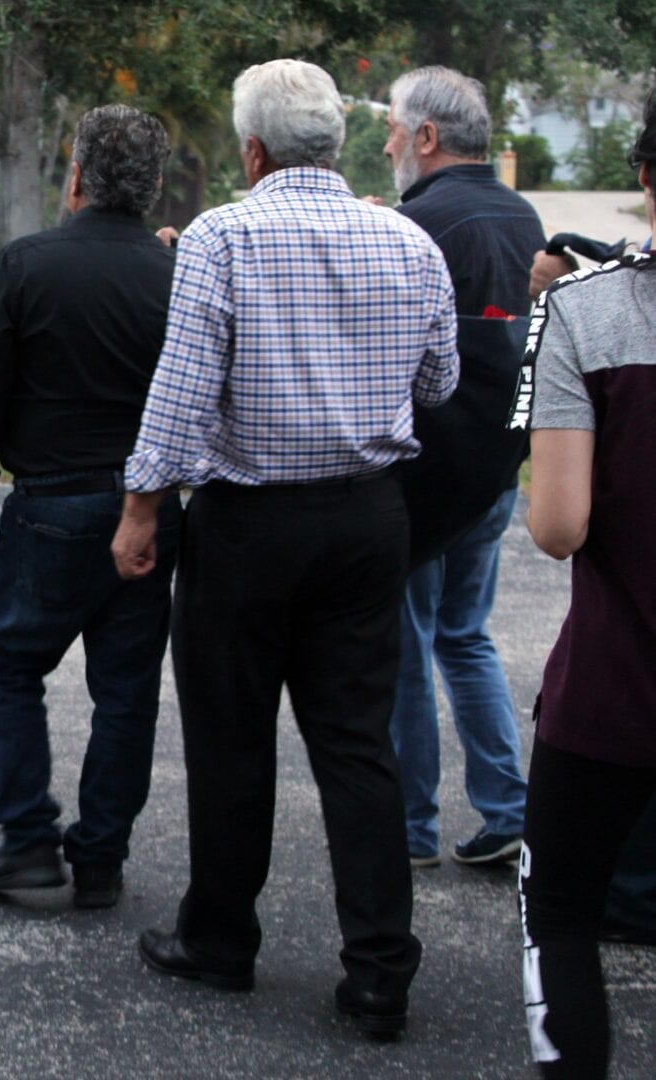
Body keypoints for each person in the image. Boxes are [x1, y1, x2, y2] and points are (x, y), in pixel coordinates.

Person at [111, 59, 458, 1039]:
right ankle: (381, 972)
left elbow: (182, 388)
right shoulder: (406, 236)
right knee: (357, 744)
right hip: (365, 518)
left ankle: (219, 942)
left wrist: (142, 508)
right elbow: (438, 379)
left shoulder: (223, 233)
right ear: (334, 148)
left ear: (252, 151)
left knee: (231, 737)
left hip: (248, 523)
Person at [0, 105, 179, 910]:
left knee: (8, 666)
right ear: (151, 190)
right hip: (148, 505)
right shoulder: (177, 271)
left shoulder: (28, 264)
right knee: (127, 687)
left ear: (74, 178)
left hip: (51, 505)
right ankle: (101, 857)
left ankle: (30, 839)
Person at [515, 90, 656, 1077]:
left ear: (646, 177)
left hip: (618, 687)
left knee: (560, 912)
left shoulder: (584, 311)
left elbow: (558, 527)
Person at [380, 66, 542, 869]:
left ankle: (409, 827)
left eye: (392, 128)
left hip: (427, 477)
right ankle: (507, 806)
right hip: (497, 474)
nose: (386, 143)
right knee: (466, 637)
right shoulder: (522, 216)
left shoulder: (423, 224)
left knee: (407, 641)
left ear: (427, 137)